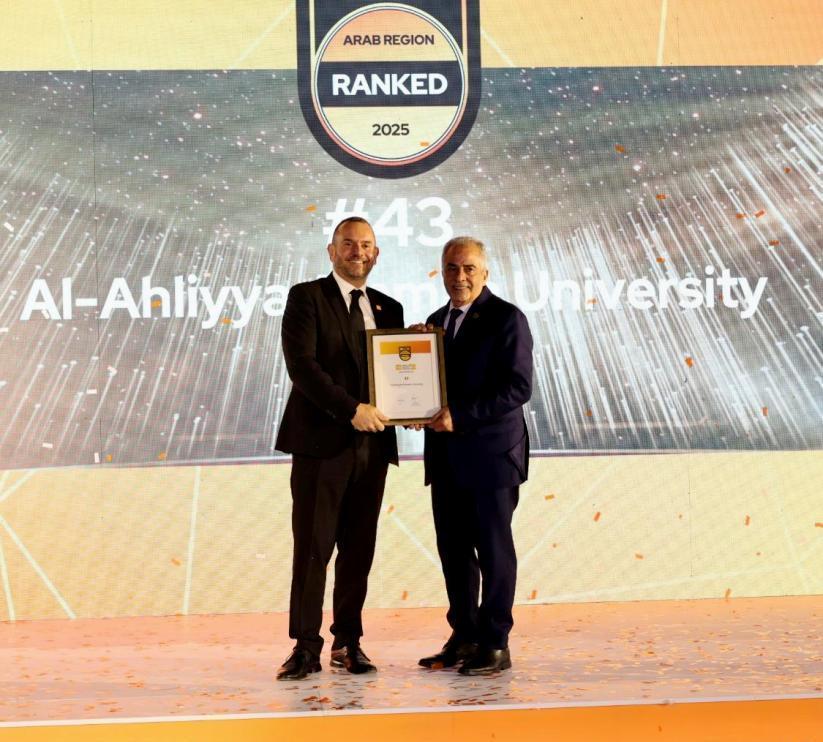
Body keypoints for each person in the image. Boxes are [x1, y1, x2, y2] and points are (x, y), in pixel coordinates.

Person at [275, 217, 403, 680]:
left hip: (373, 447)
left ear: (376, 254)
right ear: (332, 251)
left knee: (358, 549)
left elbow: (398, 375)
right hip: (321, 445)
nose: (357, 252)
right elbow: (303, 368)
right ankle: (305, 646)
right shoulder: (306, 297)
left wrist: (416, 399)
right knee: (313, 548)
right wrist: (351, 410)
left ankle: (348, 641)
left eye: (366, 245)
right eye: (348, 244)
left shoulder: (389, 308)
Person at [419, 236, 533, 675]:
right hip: (447, 457)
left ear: (485, 272)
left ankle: (495, 643)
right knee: (453, 551)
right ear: (442, 271)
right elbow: (428, 387)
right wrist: (414, 409)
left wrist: (460, 415)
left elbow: (518, 387)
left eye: (468, 268)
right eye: (452, 268)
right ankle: (464, 635)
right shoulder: (435, 322)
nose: (460, 276)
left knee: (493, 550)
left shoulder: (507, 318)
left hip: (492, 456)